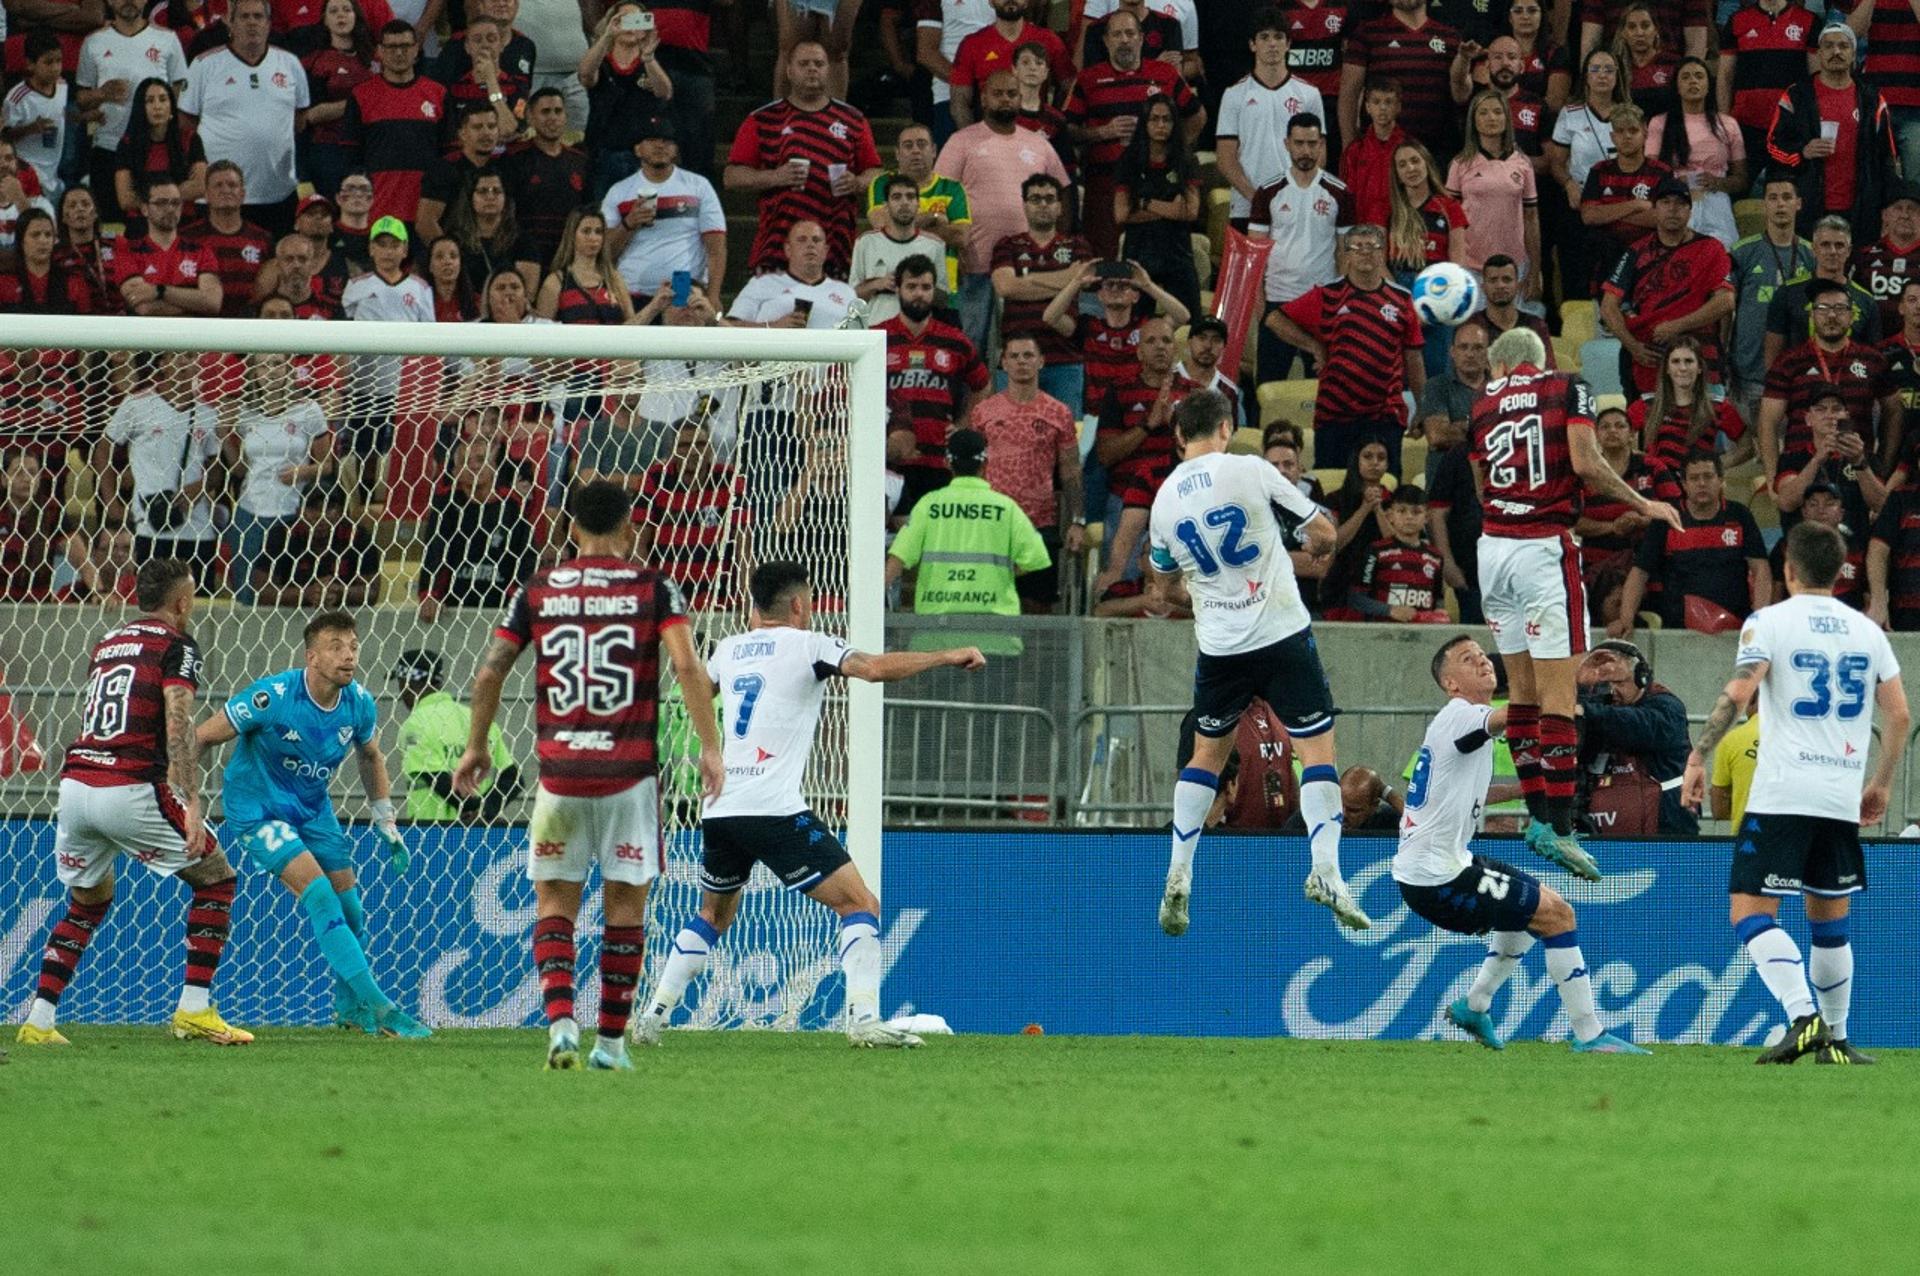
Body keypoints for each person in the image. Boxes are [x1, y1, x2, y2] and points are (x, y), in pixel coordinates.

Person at [632, 559, 985, 1050]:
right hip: (773, 809)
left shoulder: (728, 650)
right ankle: (863, 1018)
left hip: (720, 808)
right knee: (860, 904)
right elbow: (874, 669)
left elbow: (692, 683)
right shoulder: (810, 644)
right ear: (799, 604)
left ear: (753, 604)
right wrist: (947, 655)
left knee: (712, 915)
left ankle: (653, 1015)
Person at [452, 480, 724, 1071]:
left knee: (555, 902)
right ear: (631, 528)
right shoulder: (653, 587)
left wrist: (477, 746)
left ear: (571, 527)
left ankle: (559, 1024)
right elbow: (685, 663)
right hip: (629, 778)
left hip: (559, 776)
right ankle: (610, 1045)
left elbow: (490, 672)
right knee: (626, 909)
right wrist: (709, 746)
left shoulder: (538, 590)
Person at [1682, 521, 1908, 1065]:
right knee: (1830, 924)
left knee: (1750, 913)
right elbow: (1899, 714)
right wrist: (1880, 782)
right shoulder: (1868, 631)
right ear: (1841, 572)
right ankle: (1837, 1038)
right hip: (1838, 795)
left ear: (1787, 570)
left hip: (1783, 793)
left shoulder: (1770, 621)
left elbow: (1740, 690)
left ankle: (1802, 1016)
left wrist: (1698, 754)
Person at [1145, 388, 1368, 934]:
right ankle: (1326, 870)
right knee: (1316, 750)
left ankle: (1179, 871)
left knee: (1205, 755)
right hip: (1281, 633)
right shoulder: (1250, 469)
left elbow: (1163, 587)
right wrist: (1317, 550)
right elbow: (1323, 533)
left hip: (1220, 647)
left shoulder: (1164, 500)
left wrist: (1205, 596)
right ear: (1228, 426)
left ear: (1179, 437)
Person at [14, 558, 251, 1049]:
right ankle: (194, 1008)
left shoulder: (108, 642)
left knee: (89, 900)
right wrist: (191, 800)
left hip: (77, 787)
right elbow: (178, 720)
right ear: (182, 602)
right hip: (129, 785)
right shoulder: (177, 645)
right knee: (217, 879)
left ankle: (38, 1019)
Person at [1473, 327, 1680, 873]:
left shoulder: (1481, 405)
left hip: (1492, 549)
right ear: (1540, 360)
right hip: (1542, 549)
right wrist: (1646, 503)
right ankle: (1561, 827)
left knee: (1519, 695)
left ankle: (1540, 817)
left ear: (1500, 367)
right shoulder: (1568, 386)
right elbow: (1586, 464)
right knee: (1559, 697)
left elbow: (1480, 489)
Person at [1394, 634, 1649, 1054]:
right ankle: (1590, 1035)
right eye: (1466, 658)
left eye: (1481, 654)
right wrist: (1566, 681)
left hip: (1442, 865)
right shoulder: (1461, 715)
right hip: (1436, 877)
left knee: (1537, 907)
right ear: (1451, 685)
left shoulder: (1456, 726)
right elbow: (1520, 717)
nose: (1481, 661)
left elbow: (1465, 792)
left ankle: (1475, 1006)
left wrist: (1526, 791)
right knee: (1558, 916)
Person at [194, 610, 429, 1038]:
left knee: (352, 912)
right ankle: (379, 1006)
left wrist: (385, 819)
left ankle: (348, 1009)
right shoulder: (273, 696)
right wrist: (186, 799)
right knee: (319, 893)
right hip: (258, 809)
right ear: (312, 656)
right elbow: (201, 736)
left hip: (312, 808)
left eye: (354, 646)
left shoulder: (358, 702)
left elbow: (371, 755)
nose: (348, 656)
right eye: (336, 647)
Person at [1266, 223, 1425, 471]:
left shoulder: (1402, 299)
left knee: (1386, 491)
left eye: (1372, 247)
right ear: (1346, 255)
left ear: (1383, 252)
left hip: (1385, 417)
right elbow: (1274, 320)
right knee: (1332, 493)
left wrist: (1422, 408)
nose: (1365, 252)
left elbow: (1414, 359)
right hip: (1335, 416)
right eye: (1357, 247)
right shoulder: (1327, 295)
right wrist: (1314, 346)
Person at [933, 70, 1069, 354]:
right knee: (970, 348)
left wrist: (1060, 243)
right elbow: (939, 199)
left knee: (1021, 349)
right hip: (974, 264)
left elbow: (1062, 193)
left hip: (1028, 267)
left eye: (1011, 94)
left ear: (1021, 98)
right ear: (983, 98)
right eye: (998, 94)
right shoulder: (961, 141)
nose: (1005, 99)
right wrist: (949, 250)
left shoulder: (1038, 144)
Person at [724, 39, 883, 279]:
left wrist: (858, 182)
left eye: (819, 63)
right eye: (804, 63)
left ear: (828, 70)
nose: (812, 69)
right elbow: (731, 177)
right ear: (788, 70)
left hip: (836, 249)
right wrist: (775, 176)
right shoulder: (763, 119)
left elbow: (877, 173)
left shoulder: (853, 120)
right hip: (777, 249)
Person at [1063, 7, 1205, 256]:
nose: (1124, 39)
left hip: (1154, 187)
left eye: (1130, 33)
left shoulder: (1165, 75)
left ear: (1141, 38)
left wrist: (1173, 148)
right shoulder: (1088, 79)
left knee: (1153, 263)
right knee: (1105, 263)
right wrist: (1101, 133)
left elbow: (1197, 116)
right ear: (1106, 41)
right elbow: (1067, 130)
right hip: (1103, 185)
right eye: (1117, 34)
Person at [1758, 280, 1902, 502]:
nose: (1832, 316)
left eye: (1840, 309)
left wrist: (1882, 462)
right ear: (1812, 316)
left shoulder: (1873, 360)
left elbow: (1894, 411)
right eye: (1823, 309)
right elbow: (1767, 421)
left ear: (1852, 316)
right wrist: (1771, 477)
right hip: (1801, 468)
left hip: (1856, 468)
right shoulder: (1788, 361)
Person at [972, 333, 1084, 614]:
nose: (1022, 362)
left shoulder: (1059, 412)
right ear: (1003, 363)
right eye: (1014, 356)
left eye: (1028, 355)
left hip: (1039, 521)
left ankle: (1037, 660)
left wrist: (1078, 520)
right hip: (991, 521)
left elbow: (1070, 470)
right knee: (990, 602)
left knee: (1037, 604)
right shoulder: (983, 411)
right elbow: (974, 470)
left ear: (1041, 362)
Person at [885, 428, 1051, 616]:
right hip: (996, 628)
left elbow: (898, 558)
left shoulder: (929, 506)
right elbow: (1036, 558)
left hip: (936, 628)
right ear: (985, 463)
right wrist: (1000, 574)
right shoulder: (1006, 508)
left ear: (947, 462)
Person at [180, 0, 310, 235]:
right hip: (219, 194)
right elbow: (186, 124)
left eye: (258, 17)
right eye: (244, 16)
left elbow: (299, 120)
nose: (252, 22)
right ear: (230, 21)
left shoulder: (290, 64)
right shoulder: (204, 64)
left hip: (277, 193)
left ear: (269, 24)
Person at [1599, 176, 1734, 397]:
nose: (1673, 209)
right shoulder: (1635, 252)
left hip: (1702, 358)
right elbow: (1608, 306)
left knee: (1710, 427)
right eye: (1665, 202)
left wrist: (1677, 326)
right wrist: (1633, 347)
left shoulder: (1711, 248)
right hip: (1650, 360)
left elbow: (1725, 301)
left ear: (1690, 211)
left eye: (1680, 203)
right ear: (1655, 209)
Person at [1612, 452, 1768, 634]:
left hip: (1734, 628)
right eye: (1694, 478)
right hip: (1678, 630)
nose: (1702, 483)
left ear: (1720, 480)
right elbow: (1640, 572)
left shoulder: (1740, 515)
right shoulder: (1666, 518)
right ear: (1684, 484)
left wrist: (1759, 620)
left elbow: (1761, 569)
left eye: (1708, 476)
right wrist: (1626, 618)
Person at [1766, 23, 1898, 239]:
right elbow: (1773, 144)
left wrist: (1886, 206)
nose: (1836, 52)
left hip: (1861, 207)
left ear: (1853, 54)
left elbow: (1887, 157)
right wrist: (1802, 152)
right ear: (1818, 54)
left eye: (1843, 46)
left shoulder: (1872, 98)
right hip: (1808, 205)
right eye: (1828, 46)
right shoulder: (1797, 95)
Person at [100, 350, 223, 581]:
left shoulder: (208, 412)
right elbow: (104, 448)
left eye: (190, 357)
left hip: (197, 530)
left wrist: (199, 488)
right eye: (177, 356)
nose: (184, 362)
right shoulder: (137, 404)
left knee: (198, 605)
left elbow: (217, 467)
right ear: (163, 364)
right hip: (149, 526)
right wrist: (111, 501)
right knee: (151, 604)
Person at [1248, 111, 1350, 384]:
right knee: (1267, 386)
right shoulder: (1268, 192)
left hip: (1321, 302)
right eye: (1299, 143)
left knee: (1323, 387)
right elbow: (1255, 256)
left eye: (1312, 143)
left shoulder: (1339, 192)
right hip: (1278, 300)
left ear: (1322, 144)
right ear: (1287, 144)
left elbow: (1344, 253)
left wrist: (1338, 303)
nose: (1306, 150)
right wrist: (1262, 311)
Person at [226, 350, 330, 603]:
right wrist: (222, 434)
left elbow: (327, 466)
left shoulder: (308, 410)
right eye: (262, 366)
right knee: (247, 593)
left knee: (286, 591)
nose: (270, 371)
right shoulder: (245, 413)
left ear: (288, 369)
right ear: (253, 373)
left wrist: (303, 472)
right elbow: (239, 469)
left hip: (291, 513)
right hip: (249, 512)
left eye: (276, 364)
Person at [991, 174, 1094, 416]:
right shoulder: (1007, 245)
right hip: (1015, 359)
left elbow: (1082, 280)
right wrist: (1065, 279)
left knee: (1068, 438)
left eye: (1050, 199)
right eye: (1035, 199)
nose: (1043, 204)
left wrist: (1026, 282)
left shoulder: (1077, 245)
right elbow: (1006, 287)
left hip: (1064, 358)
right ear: (1024, 205)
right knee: (1011, 438)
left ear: (1060, 207)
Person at [78, 0, 190, 222]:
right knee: (111, 224)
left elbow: (178, 95)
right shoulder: (93, 42)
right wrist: (102, 94)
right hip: (108, 147)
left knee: (156, 219)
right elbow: (81, 98)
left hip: (155, 149)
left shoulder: (167, 39)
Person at [601, 115, 726, 307]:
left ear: (676, 149)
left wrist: (714, 295)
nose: (660, 145)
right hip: (631, 292)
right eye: (651, 140)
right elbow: (604, 253)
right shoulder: (619, 192)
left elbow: (716, 248)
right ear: (637, 149)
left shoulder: (698, 186)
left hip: (684, 293)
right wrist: (628, 224)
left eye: (667, 140)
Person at [1574, 639, 1697, 835]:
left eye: (1619, 682)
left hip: (1665, 830)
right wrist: (1578, 685)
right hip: (1598, 833)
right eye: (1604, 684)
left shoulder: (1667, 708)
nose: (1612, 691)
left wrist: (1586, 710)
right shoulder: (1591, 710)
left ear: (1642, 678)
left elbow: (1639, 725)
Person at [882, 254, 988, 480]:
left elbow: (983, 385)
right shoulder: (878, 337)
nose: (919, 293)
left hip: (939, 460)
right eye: (911, 286)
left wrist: (963, 424)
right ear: (898, 289)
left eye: (926, 287)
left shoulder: (955, 340)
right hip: (888, 459)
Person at [1218, 10, 1325, 229]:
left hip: (1295, 204)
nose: (1272, 44)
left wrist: (1297, 192)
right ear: (1252, 44)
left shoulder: (1310, 94)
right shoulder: (1234, 95)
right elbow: (1225, 159)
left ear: (1288, 44)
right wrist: (1257, 198)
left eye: (1278, 37)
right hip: (1247, 207)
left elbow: (1319, 153)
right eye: (1264, 37)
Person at [391, 648, 520, 824]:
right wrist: (484, 811)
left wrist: (471, 807)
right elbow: (512, 777)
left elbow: (436, 779)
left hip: (430, 832)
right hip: (480, 834)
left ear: (405, 682)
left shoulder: (415, 724)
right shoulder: (477, 719)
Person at [1578, 405, 1680, 624]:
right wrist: (1611, 527)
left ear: (1633, 435)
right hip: (1597, 572)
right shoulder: (1585, 473)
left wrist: (1643, 521)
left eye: (1619, 426)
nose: (1612, 431)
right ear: (1595, 436)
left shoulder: (1652, 467)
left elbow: (1677, 511)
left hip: (1650, 566)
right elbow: (1572, 520)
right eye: (1604, 427)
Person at [632, 416, 745, 612]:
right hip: (668, 597)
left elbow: (745, 545)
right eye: (684, 445)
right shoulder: (655, 479)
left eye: (700, 444)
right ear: (673, 450)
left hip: (718, 597)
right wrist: (648, 595)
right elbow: (638, 545)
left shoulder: (729, 479)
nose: (693, 452)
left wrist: (745, 596)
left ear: (710, 447)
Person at [417, 435, 535, 619]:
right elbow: (434, 552)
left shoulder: (513, 506)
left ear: (494, 467)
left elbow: (526, 558)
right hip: (454, 609)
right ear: (455, 471)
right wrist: (430, 595)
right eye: (466, 461)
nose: (473, 466)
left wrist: (518, 601)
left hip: (501, 610)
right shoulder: (446, 507)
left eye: (480, 460)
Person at [1727, 174, 1811, 425]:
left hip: (1799, 375)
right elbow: (1727, 310)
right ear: (1764, 204)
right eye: (1773, 198)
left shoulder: (1813, 254)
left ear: (1799, 203)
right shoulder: (1742, 252)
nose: (1780, 204)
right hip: (1749, 372)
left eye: (1787, 197)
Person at [1548, 47, 1633, 296]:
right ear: (1586, 76)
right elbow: (1556, 163)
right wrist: (1568, 184)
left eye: (1608, 69)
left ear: (1618, 75)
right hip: (1581, 203)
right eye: (1595, 69)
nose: (1602, 75)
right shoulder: (1570, 114)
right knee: (1577, 276)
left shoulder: (1628, 113)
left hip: (1621, 205)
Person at [345, 20, 446, 227]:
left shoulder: (438, 94)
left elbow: (448, 156)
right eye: (391, 47)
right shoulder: (361, 95)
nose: (399, 53)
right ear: (380, 51)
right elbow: (351, 159)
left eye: (405, 46)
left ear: (416, 49)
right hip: (378, 209)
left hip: (427, 213)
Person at [1114, 95, 1202, 320]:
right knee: (1135, 325)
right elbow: (1121, 214)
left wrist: (1144, 203)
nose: (1161, 125)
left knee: (1190, 322)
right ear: (1144, 123)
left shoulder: (1186, 160)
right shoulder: (1129, 160)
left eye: (1167, 119)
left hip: (1177, 253)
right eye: (1154, 119)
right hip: (1139, 253)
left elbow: (1190, 212)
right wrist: (1170, 210)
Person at [1339, 0, 1462, 157]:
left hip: (1438, 151)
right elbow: (1349, 94)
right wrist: (1350, 147)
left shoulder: (1450, 37)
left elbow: (1460, 92)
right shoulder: (1366, 34)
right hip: (1382, 151)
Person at [1645, 56, 1747, 246]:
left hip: (1716, 199)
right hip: (1675, 199)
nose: (1693, 81)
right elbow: (1649, 173)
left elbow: (1741, 179)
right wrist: (1675, 182)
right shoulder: (1660, 123)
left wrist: (1719, 182)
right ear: (1676, 86)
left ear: (1709, 85)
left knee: (1722, 254)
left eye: (1699, 76)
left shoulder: (1728, 124)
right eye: (1686, 77)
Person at [1762, 217, 1880, 377]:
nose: (1832, 251)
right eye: (1825, 245)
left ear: (1849, 251)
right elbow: (1773, 355)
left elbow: (1873, 360)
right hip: (1798, 390)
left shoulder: (1866, 300)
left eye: (1839, 245)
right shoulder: (1787, 293)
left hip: (1849, 390)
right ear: (1814, 249)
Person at [861, 121, 969, 295]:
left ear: (933, 150)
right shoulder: (882, 183)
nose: (915, 151)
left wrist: (903, 225)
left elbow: (961, 236)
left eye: (922, 144)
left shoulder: (952, 188)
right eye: (908, 146)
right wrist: (934, 218)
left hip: (943, 289)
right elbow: (883, 226)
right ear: (897, 154)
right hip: (895, 285)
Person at [578, 3, 675, 196]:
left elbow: (664, 92)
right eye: (624, 20)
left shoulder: (652, 62)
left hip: (642, 157)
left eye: (636, 21)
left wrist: (648, 57)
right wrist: (607, 36)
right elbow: (586, 76)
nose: (630, 27)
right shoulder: (600, 61)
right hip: (603, 151)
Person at [1576, 105, 1670, 295]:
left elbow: (1660, 218)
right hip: (1605, 251)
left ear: (1645, 133)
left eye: (1633, 130)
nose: (1627, 136)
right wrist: (1635, 205)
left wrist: (1609, 211)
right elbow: (1589, 216)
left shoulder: (1662, 172)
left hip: (1647, 248)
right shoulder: (1599, 170)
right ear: (1612, 137)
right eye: (1620, 131)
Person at [1719, 0, 1821, 170]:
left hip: (1790, 126)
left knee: (1787, 191)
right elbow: (1725, 76)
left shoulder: (1809, 20)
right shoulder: (1737, 20)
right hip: (1745, 126)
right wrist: (1724, 123)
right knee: (1739, 190)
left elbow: (1815, 80)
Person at [292, 0, 377, 199]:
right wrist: (362, 101)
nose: (341, 15)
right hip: (328, 149)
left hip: (369, 147)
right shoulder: (314, 62)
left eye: (347, 10)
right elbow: (308, 116)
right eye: (334, 11)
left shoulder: (375, 58)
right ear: (325, 20)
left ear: (356, 16)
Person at [499, 87, 588, 268]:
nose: (553, 117)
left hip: (569, 258)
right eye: (545, 112)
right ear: (530, 117)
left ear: (565, 116)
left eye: (558, 111)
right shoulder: (514, 159)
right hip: (526, 258)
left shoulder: (580, 160)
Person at [1627, 337, 1748, 470]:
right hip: (1659, 486)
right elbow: (1612, 440)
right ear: (1667, 368)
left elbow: (1747, 447)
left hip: (1699, 486)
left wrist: (1714, 467)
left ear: (1699, 367)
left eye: (1689, 361)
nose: (1682, 368)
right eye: (1675, 362)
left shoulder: (1718, 406)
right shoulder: (1646, 404)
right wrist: (1643, 464)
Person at [949, 0, 1071, 129]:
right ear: (990, 2)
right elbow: (959, 103)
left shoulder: (1049, 40)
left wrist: (1054, 126)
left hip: (1038, 135)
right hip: (990, 135)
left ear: (1026, 2)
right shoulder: (972, 44)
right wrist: (974, 142)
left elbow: (1069, 87)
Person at [112, 178, 223, 317]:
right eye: (161, 203)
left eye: (176, 203)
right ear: (145, 209)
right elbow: (143, 307)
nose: (170, 209)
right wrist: (195, 304)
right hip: (147, 336)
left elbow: (213, 302)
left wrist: (159, 291)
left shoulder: (201, 251)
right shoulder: (129, 251)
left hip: (191, 336)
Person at [852, 172, 949, 326]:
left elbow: (942, 300)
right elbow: (852, 297)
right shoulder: (866, 242)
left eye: (910, 197)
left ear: (918, 204)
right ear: (886, 205)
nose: (904, 203)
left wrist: (916, 284)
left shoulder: (935, 245)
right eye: (897, 197)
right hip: (876, 332)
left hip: (917, 333)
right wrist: (878, 284)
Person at [725, 217, 857, 330]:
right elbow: (729, 326)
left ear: (825, 250)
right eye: (802, 240)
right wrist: (772, 327)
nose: (810, 245)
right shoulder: (762, 284)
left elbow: (862, 340)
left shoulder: (846, 292)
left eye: (816, 240)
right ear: (788, 249)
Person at [1347, 485, 1448, 622]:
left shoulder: (1435, 557)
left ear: (1427, 517)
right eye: (1401, 511)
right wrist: (1389, 610)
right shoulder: (1376, 551)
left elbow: (1436, 600)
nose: (1409, 517)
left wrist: (1439, 612)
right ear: (1390, 516)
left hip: (1422, 636)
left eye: (1416, 512)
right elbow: (1356, 599)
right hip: (1382, 635)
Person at [183, 161, 271, 317]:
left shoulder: (263, 239)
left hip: (248, 326)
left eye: (232, 185)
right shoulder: (188, 237)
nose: (226, 190)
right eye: (218, 185)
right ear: (206, 194)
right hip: (200, 326)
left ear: (242, 194)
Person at [415, 102, 502, 243]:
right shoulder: (444, 170)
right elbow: (425, 223)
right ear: (462, 134)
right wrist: (452, 257)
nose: (486, 133)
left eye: (491, 126)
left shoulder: (504, 168)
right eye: (477, 127)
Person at [534, 207, 636, 324]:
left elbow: (631, 325)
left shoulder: (614, 278)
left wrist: (654, 306)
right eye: (586, 231)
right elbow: (543, 329)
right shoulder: (555, 282)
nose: (593, 238)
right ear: (572, 235)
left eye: (598, 232)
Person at [1771, 482, 1865, 608]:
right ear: (1804, 512)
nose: (1821, 510)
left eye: (1829, 504)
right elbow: (1776, 596)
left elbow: (1869, 598)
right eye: (1813, 504)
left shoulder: (1859, 548)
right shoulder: (1787, 546)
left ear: (1841, 513)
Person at [1414, 324, 1489, 478]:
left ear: (1488, 353)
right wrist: (1487, 427)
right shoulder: (1436, 386)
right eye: (1463, 347)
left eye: (1477, 348)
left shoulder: (1501, 386)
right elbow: (1438, 436)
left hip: (1488, 484)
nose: (1470, 354)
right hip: (1445, 485)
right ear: (1452, 352)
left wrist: (1462, 426)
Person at [1340, 76, 1409, 232]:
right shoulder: (1355, 151)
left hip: (1398, 233)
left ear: (1398, 107)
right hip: (1361, 233)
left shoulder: (1409, 148)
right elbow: (1346, 197)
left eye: (1388, 102)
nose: (1382, 108)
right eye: (1376, 102)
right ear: (1367, 107)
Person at [1709, 703, 1760, 829]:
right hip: (1799, 839)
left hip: (1747, 835)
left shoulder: (1732, 740)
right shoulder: (1803, 738)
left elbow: (1719, 809)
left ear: (1752, 701)